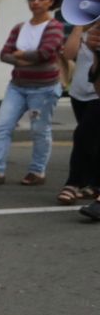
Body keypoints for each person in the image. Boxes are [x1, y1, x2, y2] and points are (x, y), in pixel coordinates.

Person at [0, 0, 65, 186]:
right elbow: (4, 54)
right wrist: (25, 60)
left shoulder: (54, 27)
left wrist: (21, 55)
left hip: (43, 88)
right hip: (17, 86)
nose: (36, 2)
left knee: (39, 130)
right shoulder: (19, 28)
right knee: (2, 127)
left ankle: (37, 172)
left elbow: (46, 53)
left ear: (51, 2)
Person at [58, 20, 100, 204]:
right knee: (93, 141)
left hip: (97, 93)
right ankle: (94, 183)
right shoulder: (85, 32)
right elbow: (68, 54)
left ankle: (73, 183)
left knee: (82, 135)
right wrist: (78, 27)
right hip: (79, 92)